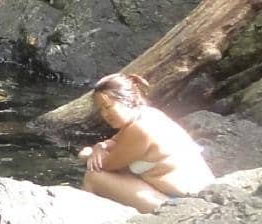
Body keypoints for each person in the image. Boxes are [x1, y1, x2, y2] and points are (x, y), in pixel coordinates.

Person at [77, 71, 214, 214]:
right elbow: (113, 143)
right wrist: (101, 146)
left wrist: (90, 154)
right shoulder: (147, 114)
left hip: (189, 206)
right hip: (199, 197)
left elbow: (103, 166)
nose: (105, 114)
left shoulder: (140, 129)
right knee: (119, 171)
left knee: (94, 176)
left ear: (127, 100)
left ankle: (85, 223)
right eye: (101, 110)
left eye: (108, 107)